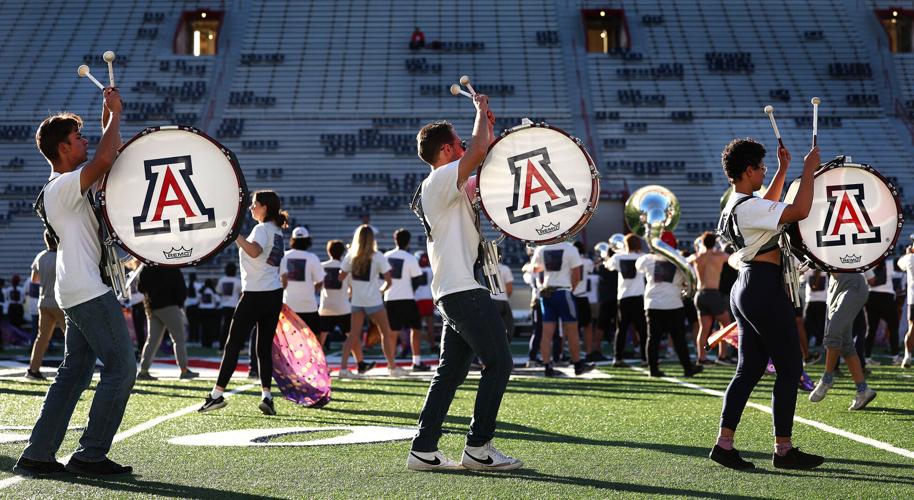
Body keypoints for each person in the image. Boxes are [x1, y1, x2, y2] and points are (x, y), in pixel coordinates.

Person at [15, 90, 137, 477]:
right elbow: (105, 158)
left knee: (75, 371)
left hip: (75, 287)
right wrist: (115, 114)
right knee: (121, 368)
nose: (84, 141)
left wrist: (108, 115)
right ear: (63, 148)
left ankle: (39, 452)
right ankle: (90, 454)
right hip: (87, 288)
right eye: (78, 138)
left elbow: (106, 153)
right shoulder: (63, 185)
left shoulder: (65, 182)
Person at [407, 97, 521, 471]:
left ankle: (424, 448)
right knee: (500, 363)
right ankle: (479, 447)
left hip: (453, 289)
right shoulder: (441, 178)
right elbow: (477, 152)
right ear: (445, 150)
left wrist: (486, 127)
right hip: (462, 289)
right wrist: (478, 117)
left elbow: (484, 162)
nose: (461, 150)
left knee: (451, 373)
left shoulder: (448, 183)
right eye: (456, 145)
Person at [711, 138, 824, 471]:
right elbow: (798, 211)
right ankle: (784, 450)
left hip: (747, 287)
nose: (762, 172)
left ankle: (724, 443)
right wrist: (807, 170)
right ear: (748, 170)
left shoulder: (739, 202)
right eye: (760, 168)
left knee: (749, 370)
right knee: (790, 368)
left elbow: (768, 205)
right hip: (763, 287)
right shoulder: (750, 206)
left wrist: (782, 170)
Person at [198, 190, 287, 416]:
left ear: (265, 207)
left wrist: (235, 235)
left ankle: (216, 395)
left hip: (256, 294)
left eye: (255, 204)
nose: (251, 208)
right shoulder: (276, 230)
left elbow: (255, 252)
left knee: (233, 344)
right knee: (263, 348)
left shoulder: (262, 228)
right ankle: (267, 395)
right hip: (273, 294)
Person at [341, 225, 405, 376]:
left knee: (353, 335)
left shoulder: (351, 256)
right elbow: (389, 281)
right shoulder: (377, 256)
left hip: (357, 301)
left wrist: (352, 286)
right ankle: (392, 367)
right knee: (386, 332)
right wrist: (381, 290)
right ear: (372, 239)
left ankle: (343, 368)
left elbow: (341, 277)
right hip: (374, 301)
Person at [636, 232, 703, 378]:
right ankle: (687, 368)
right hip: (673, 303)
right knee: (679, 339)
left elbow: (638, 266)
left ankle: (653, 370)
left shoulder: (647, 259)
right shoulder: (679, 259)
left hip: (652, 303)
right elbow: (690, 277)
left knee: (653, 338)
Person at [809, 272, 877, 410]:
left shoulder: (855, 249)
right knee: (846, 345)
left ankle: (827, 378)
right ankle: (863, 390)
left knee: (833, 333)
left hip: (853, 283)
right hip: (834, 287)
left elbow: (871, 276)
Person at [530, 241, 595, 377]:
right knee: (572, 330)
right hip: (563, 291)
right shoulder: (570, 249)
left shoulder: (541, 248)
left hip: (546, 292)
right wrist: (571, 289)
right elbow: (576, 275)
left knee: (546, 332)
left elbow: (536, 269)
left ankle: (547, 366)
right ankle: (577, 364)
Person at [321, 240, 374, 377]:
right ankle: (360, 363)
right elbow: (351, 288)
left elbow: (317, 285)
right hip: (343, 307)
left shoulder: (322, 266)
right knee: (353, 337)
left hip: (325, 307)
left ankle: (318, 366)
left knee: (320, 340)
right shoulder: (346, 268)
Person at [136, 266, 198, 381]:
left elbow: (140, 288)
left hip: (151, 306)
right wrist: (178, 303)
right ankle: (184, 370)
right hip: (169, 306)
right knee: (178, 339)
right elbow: (181, 288)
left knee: (152, 340)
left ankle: (143, 371)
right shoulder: (170, 266)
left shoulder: (146, 266)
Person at [384, 228, 430, 371]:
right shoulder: (410, 258)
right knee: (415, 329)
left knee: (392, 332)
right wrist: (410, 290)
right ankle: (416, 361)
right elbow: (417, 279)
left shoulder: (386, 255)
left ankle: (391, 364)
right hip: (407, 298)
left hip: (389, 297)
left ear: (395, 239)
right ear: (408, 241)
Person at [687, 231, 733, 365]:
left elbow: (685, 261)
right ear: (714, 243)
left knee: (704, 328)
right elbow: (734, 259)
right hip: (713, 294)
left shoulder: (697, 257)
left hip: (699, 295)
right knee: (726, 326)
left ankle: (701, 358)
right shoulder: (718, 256)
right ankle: (722, 356)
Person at [26, 231, 64, 380]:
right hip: (60, 302)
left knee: (41, 338)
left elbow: (34, 280)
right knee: (70, 337)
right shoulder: (62, 257)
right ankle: (72, 370)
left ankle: (33, 370)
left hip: (44, 302)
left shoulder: (40, 256)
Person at [606, 234, 648, 367]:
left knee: (621, 329)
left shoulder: (618, 257)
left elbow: (608, 265)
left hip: (623, 297)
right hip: (638, 297)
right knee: (642, 329)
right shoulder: (642, 257)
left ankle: (617, 358)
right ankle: (644, 358)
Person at [280, 226, 325, 334]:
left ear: (292, 240)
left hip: (288, 305)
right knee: (314, 340)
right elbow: (320, 281)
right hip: (308, 305)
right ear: (307, 241)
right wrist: (311, 289)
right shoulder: (312, 257)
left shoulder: (284, 256)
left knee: (289, 341)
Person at [864, 259, 899, 360]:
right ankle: (895, 356)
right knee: (893, 328)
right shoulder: (890, 263)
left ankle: (867, 357)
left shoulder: (868, 264)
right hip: (887, 298)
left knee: (871, 330)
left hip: (871, 297)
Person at [572, 242, 597, 360]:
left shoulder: (568, 260)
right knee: (587, 327)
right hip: (582, 296)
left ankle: (569, 354)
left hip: (571, 296)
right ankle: (588, 352)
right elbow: (591, 268)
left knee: (570, 328)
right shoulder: (587, 262)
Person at [414, 251, 437, 351]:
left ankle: (416, 348)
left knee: (416, 328)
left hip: (417, 300)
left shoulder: (415, 269)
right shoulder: (430, 270)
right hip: (428, 299)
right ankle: (432, 345)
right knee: (430, 326)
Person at [216, 263, 242, 347]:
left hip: (224, 306)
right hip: (234, 306)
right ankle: (236, 345)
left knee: (224, 327)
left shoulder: (222, 280)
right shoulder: (237, 281)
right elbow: (241, 294)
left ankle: (222, 345)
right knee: (235, 327)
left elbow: (219, 292)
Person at [897, 244, 914, 368]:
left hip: (912, 299)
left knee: (912, 328)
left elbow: (899, 264)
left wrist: (908, 253)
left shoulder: (909, 258)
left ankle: (907, 356)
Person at [490, 261, 515, 340]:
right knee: (508, 328)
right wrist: (503, 296)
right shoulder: (505, 268)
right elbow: (509, 289)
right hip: (502, 300)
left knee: (491, 329)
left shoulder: (482, 268)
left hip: (489, 300)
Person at [197, 278, 221, 349]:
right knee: (210, 327)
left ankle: (204, 343)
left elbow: (198, 300)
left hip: (202, 310)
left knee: (203, 327)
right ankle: (209, 343)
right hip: (211, 311)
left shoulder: (201, 290)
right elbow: (218, 300)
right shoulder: (213, 291)